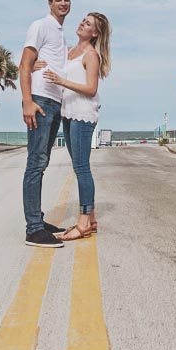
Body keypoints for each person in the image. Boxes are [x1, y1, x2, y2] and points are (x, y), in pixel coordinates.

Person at [40, 12, 112, 241]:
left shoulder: (91, 55)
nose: (82, 23)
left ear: (95, 33)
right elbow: (52, 66)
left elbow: (91, 89)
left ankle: (83, 223)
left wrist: (61, 81)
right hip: (67, 113)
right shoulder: (70, 51)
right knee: (78, 166)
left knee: (82, 168)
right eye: (83, 20)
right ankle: (90, 220)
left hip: (82, 114)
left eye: (88, 23)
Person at [19, 0, 72, 248]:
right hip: (40, 100)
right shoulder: (40, 25)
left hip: (55, 102)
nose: (63, 3)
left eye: (67, 0)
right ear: (50, 3)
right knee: (36, 163)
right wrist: (27, 102)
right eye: (58, 0)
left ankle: (38, 220)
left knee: (43, 161)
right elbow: (24, 64)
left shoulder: (61, 36)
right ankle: (33, 229)